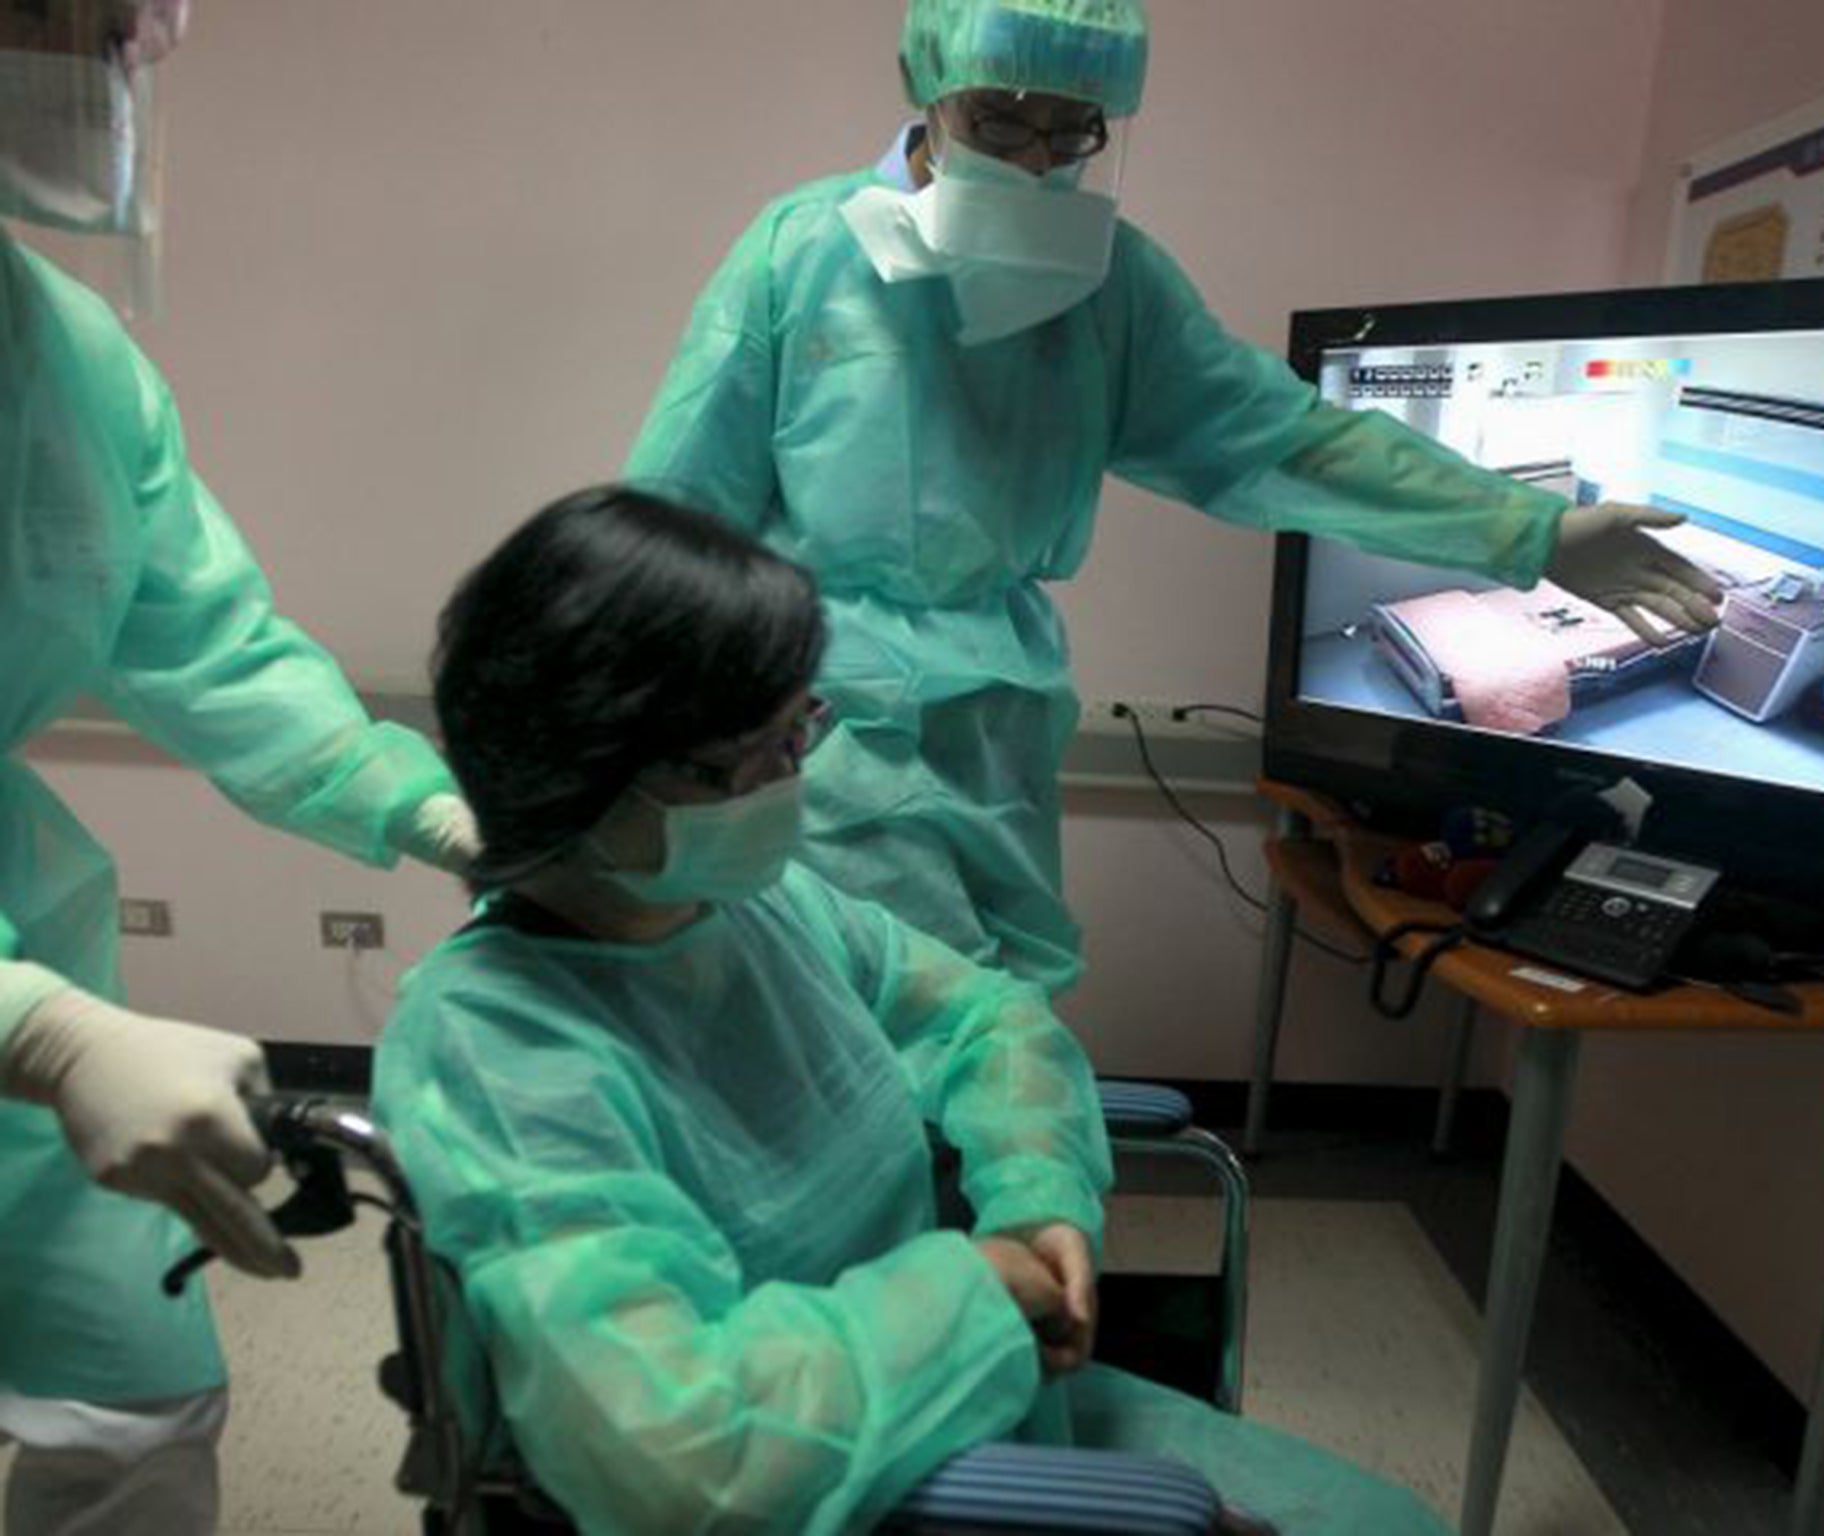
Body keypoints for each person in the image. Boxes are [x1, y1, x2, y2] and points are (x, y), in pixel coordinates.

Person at [373, 483, 1453, 1535]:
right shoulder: (497, 1049)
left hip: (964, 1389)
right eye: (744, 759)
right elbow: (678, 1459)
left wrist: (1034, 1194)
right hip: (838, 1479)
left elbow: (984, 1021)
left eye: (800, 732)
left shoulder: (750, 904)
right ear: (577, 774)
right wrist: (979, 1290)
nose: (788, 784)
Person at [623, 0, 1725, 995]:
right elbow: (676, 507)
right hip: (809, 709)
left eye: (1073, 130)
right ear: (928, 84)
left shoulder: (1109, 284)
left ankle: (1000, 1212)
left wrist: (1527, 528)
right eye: (1003, 122)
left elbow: (1279, 440)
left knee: (1009, 992)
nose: (1039, 158)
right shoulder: (800, 252)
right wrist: (618, 747)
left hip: (997, 708)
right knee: (881, 1013)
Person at [0, 3, 479, 1529]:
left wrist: (418, 802)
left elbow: (208, 636)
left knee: (130, 1398)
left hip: (27, 943)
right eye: (51, 15)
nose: (96, 61)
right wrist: (40, 1036)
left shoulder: (61, 355)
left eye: (113, 25)